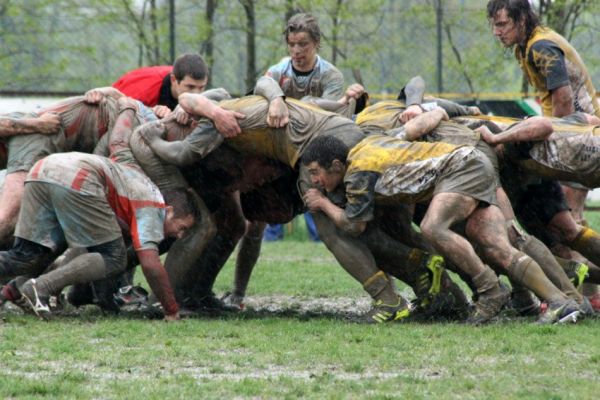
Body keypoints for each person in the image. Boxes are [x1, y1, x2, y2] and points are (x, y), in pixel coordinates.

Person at [138, 84, 410, 323]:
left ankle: (388, 298)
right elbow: (192, 113)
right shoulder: (230, 112)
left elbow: (189, 131)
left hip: (318, 147)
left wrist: (157, 138)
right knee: (213, 225)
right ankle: (170, 299)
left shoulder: (229, 118)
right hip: (341, 134)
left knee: (337, 227)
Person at [301, 133, 582, 324]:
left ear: (337, 165)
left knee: (433, 227)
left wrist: (323, 204)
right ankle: (563, 302)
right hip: (473, 162)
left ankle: (491, 291)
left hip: (460, 168)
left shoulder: (358, 172)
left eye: (316, 172)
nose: (314, 181)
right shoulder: (368, 146)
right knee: (496, 244)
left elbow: (355, 225)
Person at [0, 144, 197, 320]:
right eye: (181, 228)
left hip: (42, 170)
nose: (179, 236)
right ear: (169, 211)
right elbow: (151, 265)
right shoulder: (154, 206)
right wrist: (171, 309)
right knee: (113, 258)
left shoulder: (136, 185)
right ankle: (41, 288)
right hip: (77, 177)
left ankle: (13, 290)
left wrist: (107, 302)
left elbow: (87, 249)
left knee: (27, 255)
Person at [487, 0, 600, 301]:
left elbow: (562, 101)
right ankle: (591, 295)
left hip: (577, 142)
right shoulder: (527, 46)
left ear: (522, 19)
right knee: (571, 225)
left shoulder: (540, 47)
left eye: (502, 24)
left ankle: (582, 296)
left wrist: (548, 145)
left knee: (570, 223)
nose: (497, 32)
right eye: (494, 25)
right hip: (575, 135)